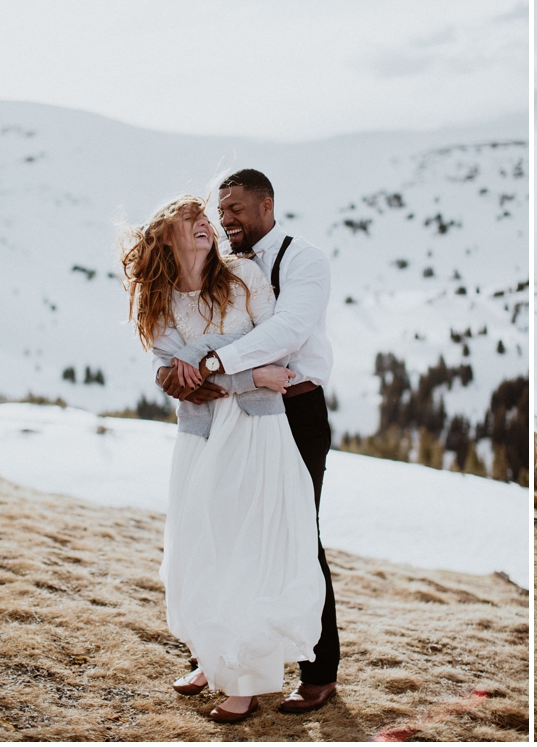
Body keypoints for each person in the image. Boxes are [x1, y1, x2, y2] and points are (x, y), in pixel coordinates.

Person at [121, 195, 324, 722]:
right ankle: (211, 658)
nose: (205, 225)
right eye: (191, 222)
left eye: (204, 218)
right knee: (197, 547)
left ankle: (247, 683)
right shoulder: (160, 299)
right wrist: (202, 376)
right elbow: (168, 367)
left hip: (255, 428)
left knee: (246, 552)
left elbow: (272, 356)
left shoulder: (245, 279)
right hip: (199, 434)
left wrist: (223, 372)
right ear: (165, 238)